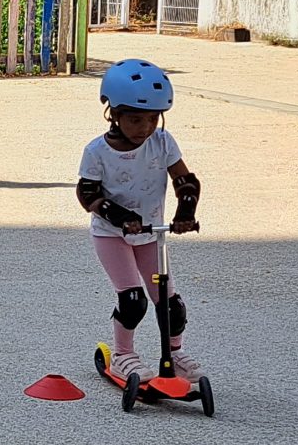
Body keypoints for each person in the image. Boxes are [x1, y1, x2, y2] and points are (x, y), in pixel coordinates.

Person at [77, 58, 204, 383]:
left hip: (151, 235)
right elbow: (88, 194)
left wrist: (185, 213)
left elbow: (185, 181)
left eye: (152, 119)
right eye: (135, 119)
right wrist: (121, 217)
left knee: (171, 303)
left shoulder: (162, 142)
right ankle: (123, 356)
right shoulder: (97, 152)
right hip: (111, 235)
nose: (145, 128)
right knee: (133, 300)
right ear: (113, 114)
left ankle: (174, 354)